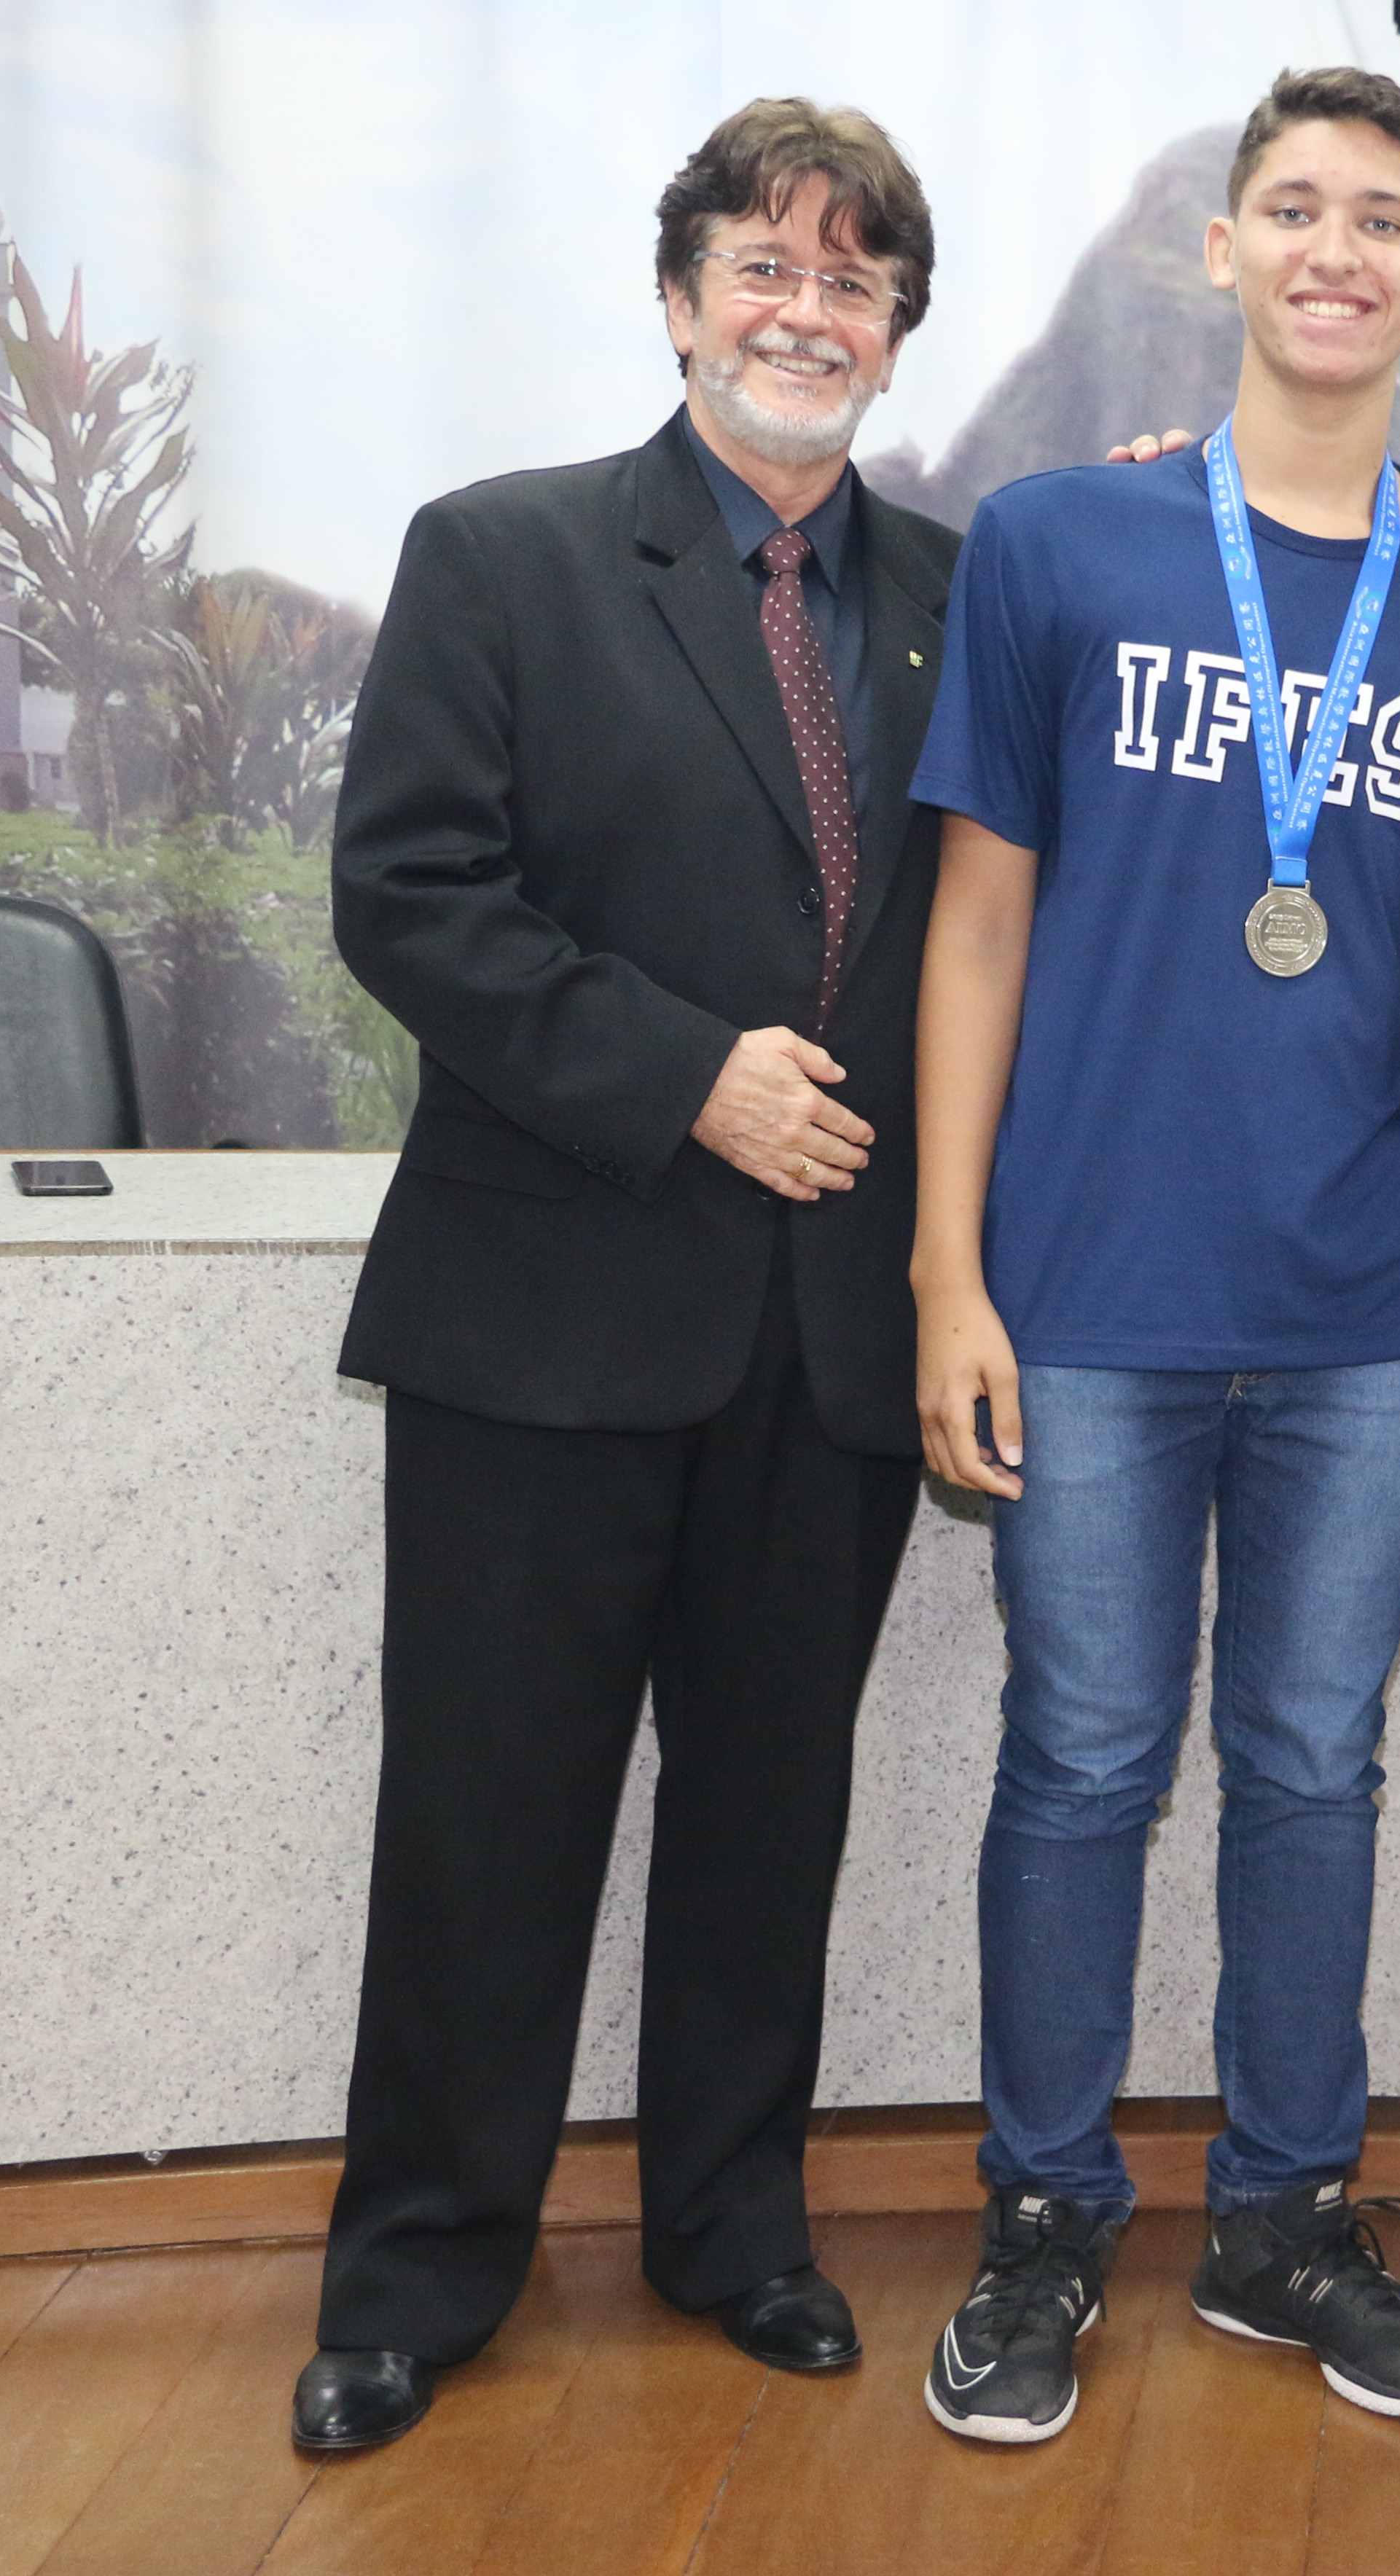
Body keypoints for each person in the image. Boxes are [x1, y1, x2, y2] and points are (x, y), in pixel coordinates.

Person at [904, 64, 1400, 2448]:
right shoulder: (1058, 546)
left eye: (1385, 216)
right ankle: (1043, 2221)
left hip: (1364, 1301)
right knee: (1080, 1763)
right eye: (1297, 208)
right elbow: (976, 927)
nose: (1339, 249)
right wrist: (945, 1274)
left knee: (1316, 1766)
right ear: (1222, 251)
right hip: (1086, 1287)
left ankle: (1283, 2219)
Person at [300, 98, 959, 2452]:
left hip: (836, 1326)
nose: (806, 311)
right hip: (547, 1311)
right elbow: (412, 896)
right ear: (681, 299)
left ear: (898, 333)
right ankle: (415, 2277)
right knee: (487, 1817)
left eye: (853, 279)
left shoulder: (967, 597)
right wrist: (691, 1078)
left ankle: (734, 2231)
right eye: (763, 266)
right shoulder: (503, 555)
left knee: (772, 1812)